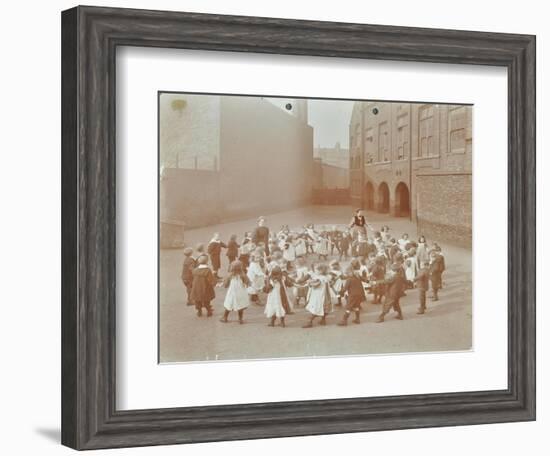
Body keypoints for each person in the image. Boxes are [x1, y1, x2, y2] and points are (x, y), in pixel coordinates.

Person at [337, 260, 367, 326]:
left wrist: (340, 292)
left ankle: (344, 320)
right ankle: (357, 319)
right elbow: (365, 280)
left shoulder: (349, 279)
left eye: (347, 273)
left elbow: (345, 289)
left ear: (349, 273)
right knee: (356, 306)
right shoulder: (358, 276)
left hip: (353, 295)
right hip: (360, 294)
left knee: (348, 308)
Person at [302, 264, 332, 328]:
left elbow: (316, 284)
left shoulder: (319, 278)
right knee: (324, 308)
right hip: (325, 295)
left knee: (316, 308)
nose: (314, 271)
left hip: (319, 295)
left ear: (320, 271)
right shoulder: (326, 277)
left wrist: (309, 283)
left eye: (316, 270)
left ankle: (309, 322)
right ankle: (323, 320)